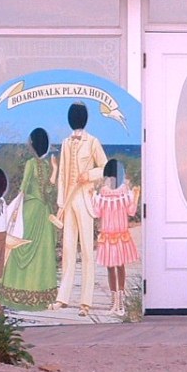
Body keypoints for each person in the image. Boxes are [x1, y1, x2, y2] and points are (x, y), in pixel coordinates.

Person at [50, 102, 106, 316]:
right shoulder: (65, 143)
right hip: (68, 201)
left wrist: (89, 175)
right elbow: (63, 173)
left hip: (85, 199)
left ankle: (86, 302)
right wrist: (61, 202)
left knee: (86, 252)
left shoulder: (92, 142)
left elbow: (105, 166)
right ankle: (62, 297)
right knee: (67, 249)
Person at [0, 128, 59, 311]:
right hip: (44, 211)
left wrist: (13, 209)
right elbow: (48, 191)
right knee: (42, 253)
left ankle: (18, 293)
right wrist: (55, 169)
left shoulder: (31, 163)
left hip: (30, 210)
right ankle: (40, 296)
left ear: (32, 144)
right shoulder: (47, 166)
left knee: (21, 246)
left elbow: (23, 187)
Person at [91, 158, 140, 317]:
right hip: (112, 235)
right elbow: (130, 211)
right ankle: (116, 302)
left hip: (114, 235)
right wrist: (137, 195)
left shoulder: (116, 192)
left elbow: (97, 213)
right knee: (114, 267)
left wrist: (93, 196)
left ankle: (119, 302)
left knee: (116, 267)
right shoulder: (112, 192)